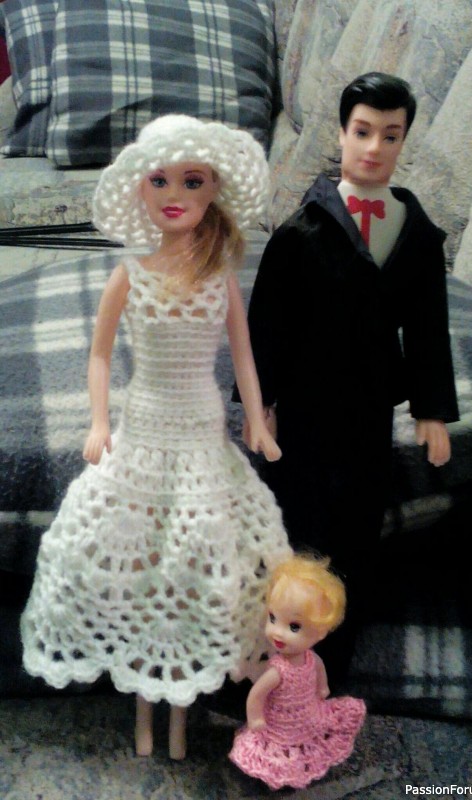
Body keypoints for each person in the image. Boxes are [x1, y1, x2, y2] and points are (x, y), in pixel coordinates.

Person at [20, 114, 292, 760]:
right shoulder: (130, 273)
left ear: (213, 190)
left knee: (195, 561)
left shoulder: (219, 276)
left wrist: (256, 418)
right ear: (140, 189)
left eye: (192, 181)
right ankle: (146, 717)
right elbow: (98, 354)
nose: (174, 194)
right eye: (159, 180)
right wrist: (99, 421)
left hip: (201, 432)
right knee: (141, 564)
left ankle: (179, 723)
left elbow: (244, 355)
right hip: (142, 429)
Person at [236, 72, 460, 686]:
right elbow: (268, 324)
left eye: (390, 135)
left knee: (358, 529)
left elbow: (428, 326)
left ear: (404, 141)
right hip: (304, 408)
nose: (374, 147)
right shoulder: (301, 231)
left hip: (369, 409)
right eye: (362, 131)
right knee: (297, 526)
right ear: (340, 134)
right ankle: (275, 665)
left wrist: (431, 410)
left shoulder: (416, 235)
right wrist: (260, 405)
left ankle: (332, 669)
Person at [229, 553, 366, 790]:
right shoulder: (277, 671)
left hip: (308, 716)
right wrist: (255, 718)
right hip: (278, 725)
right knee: (280, 751)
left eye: (294, 626)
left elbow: (318, 667)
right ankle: (279, 774)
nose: (277, 632)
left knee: (311, 736)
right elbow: (257, 695)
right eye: (273, 618)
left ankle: (297, 768)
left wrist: (322, 687)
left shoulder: (311, 658)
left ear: (321, 632)